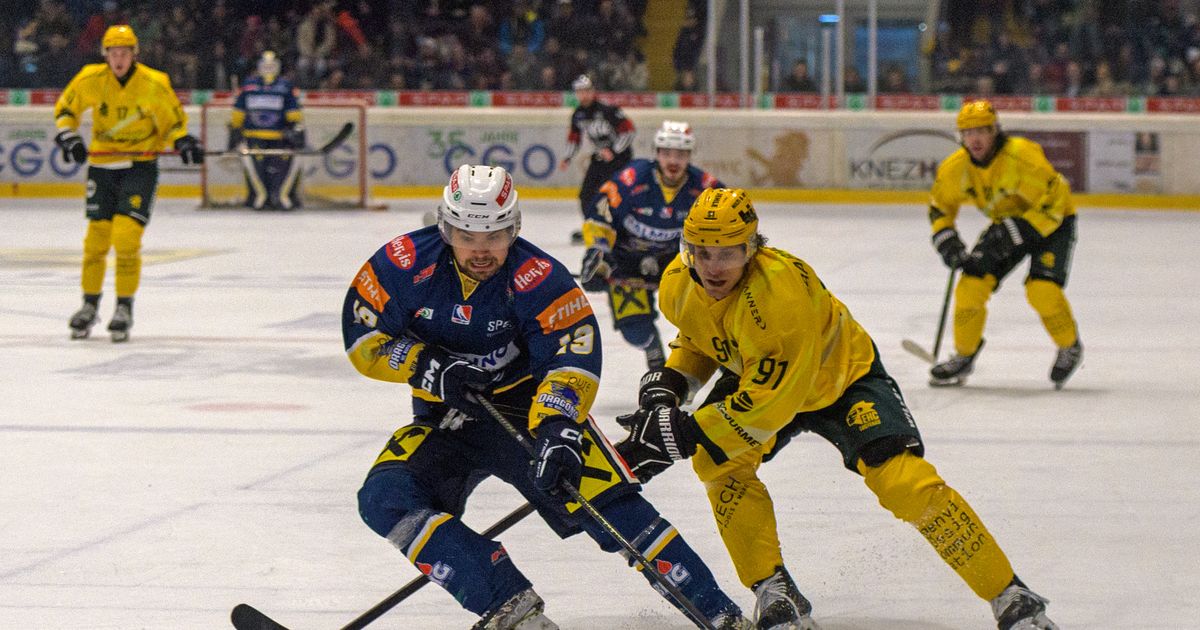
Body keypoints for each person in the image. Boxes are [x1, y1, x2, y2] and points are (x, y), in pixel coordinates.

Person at [615, 188, 1059, 630]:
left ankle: (1010, 593)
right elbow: (702, 339)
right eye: (702, 252)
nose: (713, 268)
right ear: (687, 249)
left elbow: (772, 404)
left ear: (752, 249)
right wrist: (669, 386)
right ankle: (774, 588)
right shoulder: (679, 282)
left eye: (728, 253)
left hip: (842, 378)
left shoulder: (778, 297)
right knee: (718, 464)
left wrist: (682, 436)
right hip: (764, 370)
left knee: (902, 481)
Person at [341, 165, 753, 629]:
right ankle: (509, 604)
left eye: (495, 235)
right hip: (446, 417)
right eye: (466, 235)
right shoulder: (401, 264)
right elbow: (363, 336)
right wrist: (426, 366)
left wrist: (558, 426)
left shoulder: (539, 277)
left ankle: (721, 616)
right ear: (445, 227)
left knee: (614, 508)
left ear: (515, 228)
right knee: (385, 497)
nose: (481, 250)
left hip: (529, 409)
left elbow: (572, 355)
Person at [54, 24, 202, 342]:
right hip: (102, 167)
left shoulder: (154, 83)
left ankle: (124, 307)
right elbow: (66, 108)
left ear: (135, 54)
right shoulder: (91, 79)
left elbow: (174, 122)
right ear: (105, 55)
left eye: (124, 53)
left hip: (139, 168)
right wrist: (69, 136)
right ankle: (89, 305)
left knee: (125, 239)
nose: (119, 59)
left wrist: (183, 140)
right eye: (113, 53)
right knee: (95, 241)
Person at [928, 100, 1082, 388]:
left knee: (1042, 290)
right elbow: (940, 207)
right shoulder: (956, 168)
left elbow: (1055, 200)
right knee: (971, 284)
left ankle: (1069, 346)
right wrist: (946, 238)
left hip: (1053, 224)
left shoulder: (1021, 155)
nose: (975, 139)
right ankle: (964, 355)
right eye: (968, 132)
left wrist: (1017, 231)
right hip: (1006, 226)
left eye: (981, 131)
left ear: (995, 131)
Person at [578, 120, 724, 370]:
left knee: (708, 318)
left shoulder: (706, 188)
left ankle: (727, 363)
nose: (673, 161)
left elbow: (725, 231)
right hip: (626, 261)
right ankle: (653, 350)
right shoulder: (631, 179)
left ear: (690, 155)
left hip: (677, 262)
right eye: (667, 153)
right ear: (657, 153)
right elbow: (601, 216)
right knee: (635, 328)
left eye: (681, 154)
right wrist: (598, 254)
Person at [558, 74, 635, 244]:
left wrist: (614, 151)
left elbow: (629, 131)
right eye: (580, 92)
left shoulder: (609, 111)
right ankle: (592, 227)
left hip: (620, 160)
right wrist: (567, 157)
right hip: (601, 158)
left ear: (593, 91)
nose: (583, 95)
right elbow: (574, 137)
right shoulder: (578, 115)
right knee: (586, 194)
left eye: (586, 91)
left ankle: (622, 229)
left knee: (618, 194)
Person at [227, 50, 306, 210]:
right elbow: (238, 112)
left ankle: (282, 197)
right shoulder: (249, 86)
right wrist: (235, 130)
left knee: (282, 172)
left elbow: (293, 114)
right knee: (256, 171)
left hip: (279, 138)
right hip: (254, 137)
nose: (268, 69)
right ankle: (258, 198)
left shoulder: (285, 86)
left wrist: (296, 129)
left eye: (272, 66)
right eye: (265, 66)